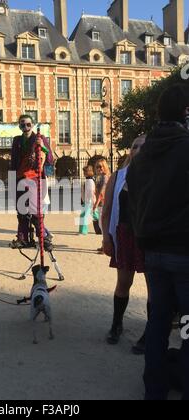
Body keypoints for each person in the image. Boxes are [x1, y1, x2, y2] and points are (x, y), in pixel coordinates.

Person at [127, 84, 189, 400]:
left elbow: (134, 201)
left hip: (153, 253)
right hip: (184, 252)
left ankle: (155, 390)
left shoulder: (140, 157)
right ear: (185, 114)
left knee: (158, 324)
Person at [102, 136, 149, 353]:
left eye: (143, 146)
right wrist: (106, 237)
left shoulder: (156, 175)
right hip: (125, 233)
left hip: (149, 237)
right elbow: (108, 208)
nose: (138, 149)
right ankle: (116, 324)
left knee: (155, 288)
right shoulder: (118, 176)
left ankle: (151, 330)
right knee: (123, 283)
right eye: (134, 145)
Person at [10, 115, 54, 251]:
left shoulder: (40, 138)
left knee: (35, 211)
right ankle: (23, 238)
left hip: (34, 178)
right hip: (20, 177)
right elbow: (13, 161)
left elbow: (50, 159)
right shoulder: (17, 140)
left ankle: (44, 237)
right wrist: (12, 180)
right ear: (19, 126)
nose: (26, 127)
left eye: (28, 124)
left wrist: (43, 148)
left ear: (32, 125)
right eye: (22, 125)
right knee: (21, 210)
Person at [93, 158, 111, 252]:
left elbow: (101, 192)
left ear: (104, 167)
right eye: (97, 166)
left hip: (103, 203)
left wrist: (95, 204)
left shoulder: (105, 177)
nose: (99, 168)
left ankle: (105, 246)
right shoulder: (102, 176)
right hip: (102, 203)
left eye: (101, 166)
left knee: (103, 225)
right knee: (101, 225)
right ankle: (104, 245)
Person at [79, 165, 95, 235]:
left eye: (85, 171)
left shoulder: (90, 181)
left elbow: (91, 192)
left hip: (89, 201)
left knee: (84, 216)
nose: (84, 173)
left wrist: (91, 202)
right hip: (86, 201)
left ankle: (83, 231)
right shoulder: (88, 180)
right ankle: (100, 229)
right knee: (94, 215)